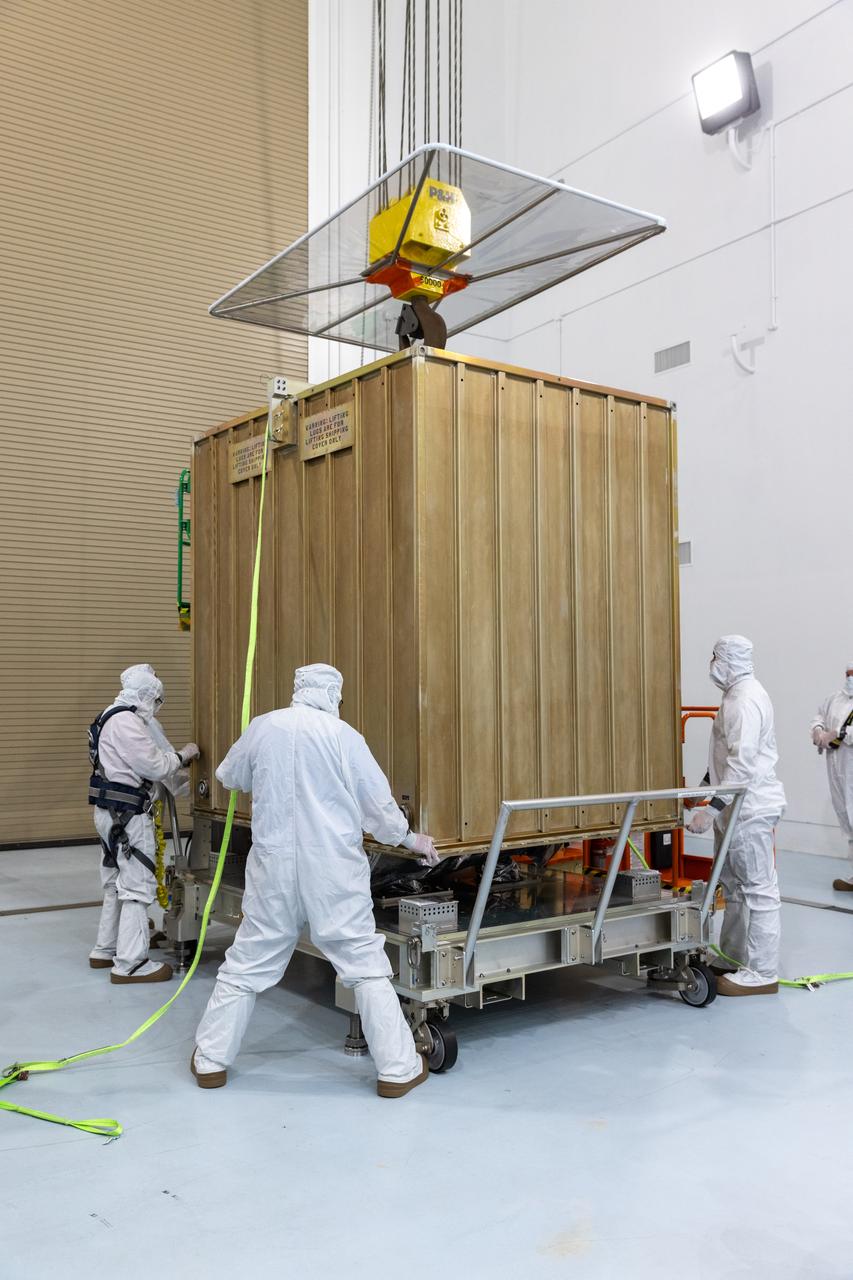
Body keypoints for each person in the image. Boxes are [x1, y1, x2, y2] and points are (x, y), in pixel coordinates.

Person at [192, 663, 439, 1098]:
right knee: (363, 965)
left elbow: (228, 776)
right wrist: (411, 839)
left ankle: (211, 1060)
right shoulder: (344, 738)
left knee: (248, 962)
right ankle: (398, 1070)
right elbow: (379, 811)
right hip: (333, 872)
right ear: (332, 694)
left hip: (273, 868)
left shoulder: (264, 727)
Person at [685, 635, 786, 996]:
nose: (711, 663)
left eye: (714, 657)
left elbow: (742, 766)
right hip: (735, 807)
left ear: (728, 659)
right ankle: (731, 957)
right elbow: (724, 758)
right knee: (734, 887)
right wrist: (702, 790)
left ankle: (763, 973)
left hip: (750, 808)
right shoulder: (733, 696)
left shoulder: (745, 700)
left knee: (758, 889)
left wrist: (710, 810)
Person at [88, 664, 199, 983]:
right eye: (157, 700)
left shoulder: (106, 715)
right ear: (148, 695)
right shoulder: (128, 721)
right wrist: (183, 756)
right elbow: (153, 765)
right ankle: (131, 963)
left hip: (109, 813)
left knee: (114, 882)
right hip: (128, 816)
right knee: (137, 886)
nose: (157, 706)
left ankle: (105, 949)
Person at [811, 663, 853, 891]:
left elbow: (842, 733)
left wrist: (839, 734)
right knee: (848, 819)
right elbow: (819, 715)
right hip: (837, 768)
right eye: (848, 674)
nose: (850, 679)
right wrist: (818, 730)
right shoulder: (835, 699)